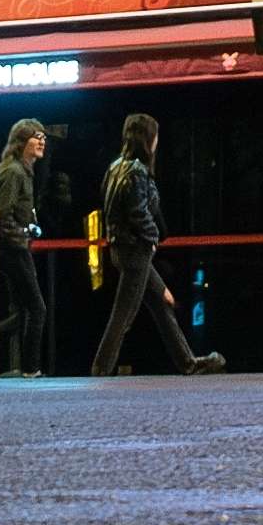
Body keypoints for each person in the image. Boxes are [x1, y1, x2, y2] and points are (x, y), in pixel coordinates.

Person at [93, 115, 202, 375]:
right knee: (123, 315)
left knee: (162, 302)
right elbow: (139, 212)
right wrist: (152, 239)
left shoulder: (116, 167)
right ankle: (100, 369)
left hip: (121, 247)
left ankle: (187, 362)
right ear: (148, 139)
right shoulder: (138, 171)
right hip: (136, 250)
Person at [0, 117, 53, 376]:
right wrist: (25, 232)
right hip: (14, 250)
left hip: (17, 248)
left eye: (44, 136)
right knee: (37, 308)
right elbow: (2, 215)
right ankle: (30, 368)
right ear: (22, 141)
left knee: (24, 310)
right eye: (37, 136)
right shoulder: (14, 172)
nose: (42, 140)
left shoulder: (24, 171)